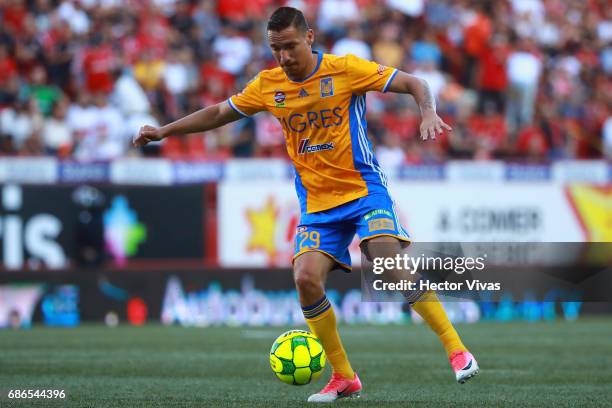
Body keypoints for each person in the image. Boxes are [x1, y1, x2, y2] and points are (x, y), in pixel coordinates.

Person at [133, 7, 479, 403]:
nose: (284, 57)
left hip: (364, 190)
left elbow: (415, 82)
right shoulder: (268, 85)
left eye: (290, 47)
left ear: (310, 38)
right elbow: (217, 113)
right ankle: (344, 376)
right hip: (318, 202)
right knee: (305, 279)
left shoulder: (345, 69)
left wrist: (428, 110)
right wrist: (165, 131)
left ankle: (456, 349)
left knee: (387, 262)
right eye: (275, 49)